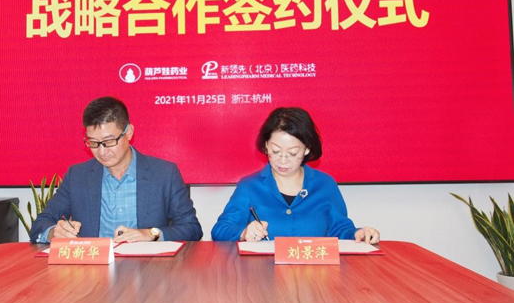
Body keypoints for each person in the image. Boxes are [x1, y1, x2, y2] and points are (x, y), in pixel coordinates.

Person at [30, 96, 203, 243]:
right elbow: (41, 224)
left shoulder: (164, 174)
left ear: (129, 132)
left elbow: (192, 228)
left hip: (148, 268)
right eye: (93, 143)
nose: (102, 151)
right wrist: (54, 233)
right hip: (93, 269)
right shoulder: (77, 176)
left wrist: (151, 234)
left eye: (109, 141)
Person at [211, 107, 379, 243]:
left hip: (314, 272)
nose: (283, 160)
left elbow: (340, 228)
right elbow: (220, 230)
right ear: (266, 145)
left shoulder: (324, 184)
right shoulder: (249, 186)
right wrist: (244, 232)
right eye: (275, 151)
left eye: (292, 153)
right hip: (264, 272)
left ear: (307, 149)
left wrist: (359, 234)